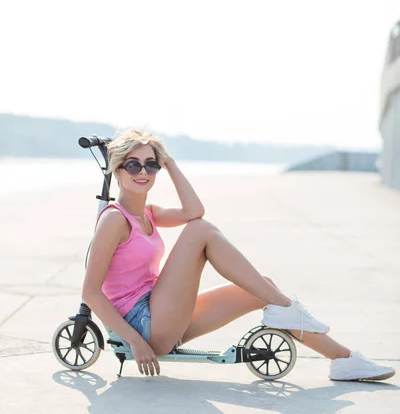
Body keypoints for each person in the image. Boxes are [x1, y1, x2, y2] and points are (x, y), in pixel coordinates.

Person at [82, 128, 396, 382]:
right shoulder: (114, 220)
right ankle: (288, 307)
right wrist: (135, 342)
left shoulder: (148, 213)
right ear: (118, 169)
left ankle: (343, 361)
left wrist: (171, 163)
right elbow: (91, 293)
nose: (143, 171)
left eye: (150, 164)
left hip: (162, 312)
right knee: (200, 231)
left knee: (263, 288)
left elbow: (194, 209)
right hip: (142, 326)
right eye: (133, 164)